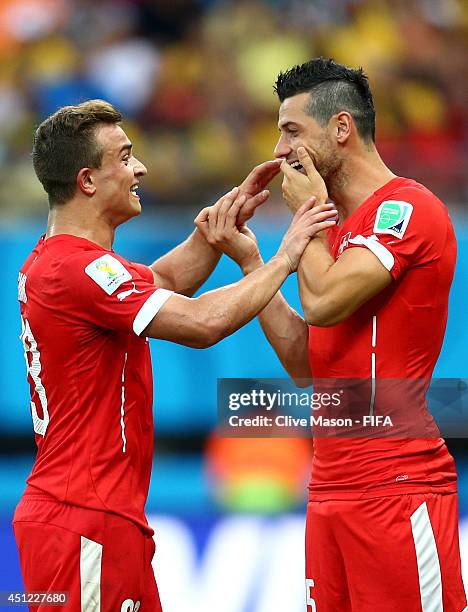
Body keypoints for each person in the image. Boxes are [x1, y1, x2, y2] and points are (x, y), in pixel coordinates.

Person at [14, 99, 338, 612]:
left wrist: (217, 224)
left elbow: (162, 281)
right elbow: (201, 323)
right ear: (87, 181)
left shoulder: (68, 262)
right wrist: (283, 256)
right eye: (124, 157)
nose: (139, 168)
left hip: (94, 516)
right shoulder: (75, 271)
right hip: (83, 520)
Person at [197, 59, 467, 611]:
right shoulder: (334, 231)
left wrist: (308, 217)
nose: (278, 149)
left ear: (341, 128)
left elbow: (320, 302)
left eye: (291, 130)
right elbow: (307, 365)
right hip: (328, 489)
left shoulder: (407, 209)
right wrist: (252, 262)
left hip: (397, 482)